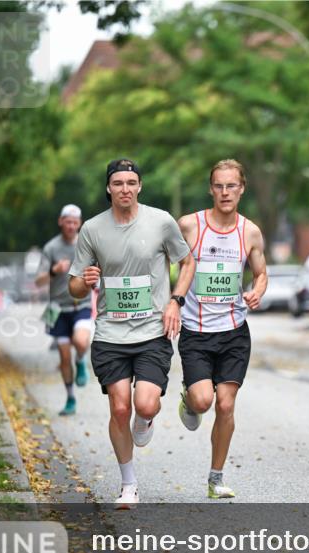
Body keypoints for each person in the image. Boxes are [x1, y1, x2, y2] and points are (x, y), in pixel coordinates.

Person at [68, 158, 195, 507]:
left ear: (140, 186)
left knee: (144, 404)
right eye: (118, 183)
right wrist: (85, 282)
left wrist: (176, 301)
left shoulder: (161, 222)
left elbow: (187, 262)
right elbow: (75, 288)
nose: (125, 188)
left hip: (152, 330)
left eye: (131, 182)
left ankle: (147, 418)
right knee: (119, 409)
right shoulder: (92, 229)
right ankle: (128, 483)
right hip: (110, 333)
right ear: (108, 188)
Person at [175, 159, 267, 499]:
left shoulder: (250, 232)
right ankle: (189, 399)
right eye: (219, 186)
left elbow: (260, 272)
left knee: (225, 405)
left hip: (234, 331)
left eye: (231, 186)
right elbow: (161, 258)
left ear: (242, 189)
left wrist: (257, 290)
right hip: (196, 332)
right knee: (203, 401)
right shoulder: (189, 226)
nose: (225, 192)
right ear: (211, 188)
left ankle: (216, 478)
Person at [36, 204, 93, 416]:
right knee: (63, 358)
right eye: (67, 222)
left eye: (74, 222)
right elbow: (38, 281)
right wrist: (54, 270)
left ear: (80, 223)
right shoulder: (51, 248)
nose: (70, 226)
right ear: (61, 222)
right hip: (58, 309)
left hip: (81, 305)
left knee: (80, 341)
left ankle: (81, 360)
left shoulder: (86, 245)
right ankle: (70, 398)